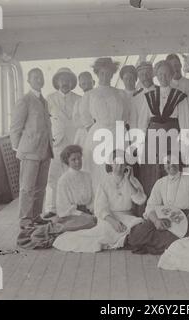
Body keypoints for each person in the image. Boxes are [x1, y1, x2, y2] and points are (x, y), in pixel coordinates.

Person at [53, 150, 146, 252]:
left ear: (126, 165)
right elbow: (100, 207)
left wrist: (128, 181)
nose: (119, 167)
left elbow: (140, 200)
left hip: (128, 217)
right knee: (107, 233)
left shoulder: (132, 180)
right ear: (111, 163)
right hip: (109, 218)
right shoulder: (104, 182)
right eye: (116, 163)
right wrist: (114, 222)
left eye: (122, 163)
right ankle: (126, 241)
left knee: (139, 228)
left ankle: (127, 240)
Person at [136, 60, 189, 196]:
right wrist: (141, 145)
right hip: (152, 141)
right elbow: (142, 123)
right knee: (152, 173)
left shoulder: (179, 97)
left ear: (172, 75)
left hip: (172, 139)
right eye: (160, 74)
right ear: (156, 75)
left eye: (166, 74)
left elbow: (185, 124)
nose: (163, 77)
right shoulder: (149, 96)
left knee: (171, 169)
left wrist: (183, 145)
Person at [125, 153, 189, 255]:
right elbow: (150, 207)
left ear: (180, 163)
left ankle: (150, 246)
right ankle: (156, 246)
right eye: (167, 163)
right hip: (163, 219)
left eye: (174, 161)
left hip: (184, 221)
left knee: (177, 241)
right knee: (135, 235)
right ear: (164, 166)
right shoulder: (160, 183)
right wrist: (156, 221)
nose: (171, 165)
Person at [10, 68, 53, 229]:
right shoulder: (25, 100)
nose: (39, 80)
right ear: (29, 81)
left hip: (45, 150)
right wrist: (18, 149)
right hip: (29, 152)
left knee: (40, 187)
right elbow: (15, 127)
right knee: (27, 187)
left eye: (41, 77)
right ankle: (25, 220)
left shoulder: (44, 101)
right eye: (35, 77)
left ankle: (36, 216)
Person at [79, 57, 130, 193]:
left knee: (117, 166)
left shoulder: (121, 94)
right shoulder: (90, 95)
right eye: (102, 73)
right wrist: (98, 130)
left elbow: (126, 115)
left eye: (108, 73)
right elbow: (85, 117)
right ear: (97, 73)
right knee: (99, 168)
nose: (105, 76)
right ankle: (99, 203)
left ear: (112, 74)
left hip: (118, 134)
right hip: (98, 135)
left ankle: (118, 202)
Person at [45, 68, 80, 217]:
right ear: (57, 82)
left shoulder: (79, 99)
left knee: (71, 175)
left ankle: (71, 208)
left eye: (68, 80)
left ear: (72, 82)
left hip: (73, 142)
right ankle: (52, 209)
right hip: (56, 143)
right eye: (62, 80)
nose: (65, 83)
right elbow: (46, 121)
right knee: (53, 177)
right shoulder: (50, 98)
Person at [56, 145, 95, 218]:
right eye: (73, 159)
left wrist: (92, 211)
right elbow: (63, 208)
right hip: (72, 215)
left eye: (79, 158)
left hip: (89, 213)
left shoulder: (87, 176)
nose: (78, 162)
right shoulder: (63, 180)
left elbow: (93, 198)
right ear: (67, 161)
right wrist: (83, 215)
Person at [73, 72, 95, 149]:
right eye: (84, 84)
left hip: (99, 130)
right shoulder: (78, 102)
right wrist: (88, 123)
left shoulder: (100, 99)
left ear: (94, 82)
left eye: (89, 83)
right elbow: (75, 121)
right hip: (84, 134)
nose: (87, 86)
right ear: (80, 85)